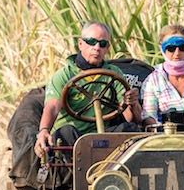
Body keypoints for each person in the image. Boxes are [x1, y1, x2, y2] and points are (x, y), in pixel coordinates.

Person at [34, 21, 141, 156]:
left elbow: (130, 117)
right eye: (91, 42)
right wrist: (44, 130)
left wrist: (132, 102)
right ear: (80, 44)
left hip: (103, 136)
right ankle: (73, 174)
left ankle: (117, 173)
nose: (96, 48)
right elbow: (53, 107)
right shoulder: (65, 74)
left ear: (107, 48)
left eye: (102, 44)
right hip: (75, 136)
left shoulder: (114, 74)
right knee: (65, 133)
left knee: (129, 129)